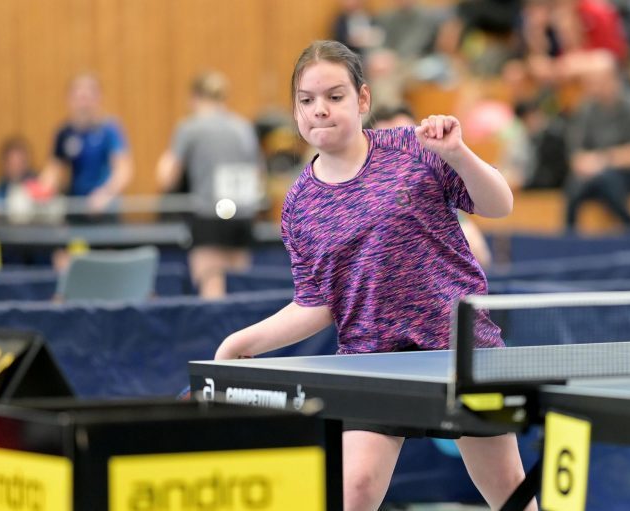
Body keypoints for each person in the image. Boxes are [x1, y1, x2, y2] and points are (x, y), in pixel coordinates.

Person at [214, 41, 534, 511]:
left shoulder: (413, 149)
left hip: (459, 350)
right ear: (296, 110)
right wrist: (243, 342)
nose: (320, 110)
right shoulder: (298, 204)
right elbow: (317, 304)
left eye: (335, 96)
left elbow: (499, 205)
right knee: (356, 489)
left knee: (509, 491)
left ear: (362, 99)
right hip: (371, 361)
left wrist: (459, 153)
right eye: (307, 100)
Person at [157, 71, 265, 299]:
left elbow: (166, 177)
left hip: (209, 217)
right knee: (239, 291)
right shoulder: (244, 127)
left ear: (194, 98)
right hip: (243, 219)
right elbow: (259, 174)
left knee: (212, 292)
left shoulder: (190, 127)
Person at [370, 103, 494, 268]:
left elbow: (481, 254)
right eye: (388, 145)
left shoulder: (434, 190)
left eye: (406, 138)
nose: (398, 152)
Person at [564, 50, 630, 231]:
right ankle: (569, 235)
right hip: (591, 174)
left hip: (625, 174)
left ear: (613, 79)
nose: (593, 87)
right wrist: (585, 163)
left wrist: (603, 160)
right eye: (590, 81)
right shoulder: (585, 109)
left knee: (608, 180)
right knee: (575, 185)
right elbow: (576, 153)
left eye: (598, 81)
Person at [42, 73, 133, 222]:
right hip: (75, 209)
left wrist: (105, 194)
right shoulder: (64, 133)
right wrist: (41, 190)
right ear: (69, 100)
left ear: (98, 99)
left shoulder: (109, 130)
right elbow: (54, 169)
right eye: (78, 98)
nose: (83, 104)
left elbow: (123, 171)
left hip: (105, 211)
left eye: (87, 98)